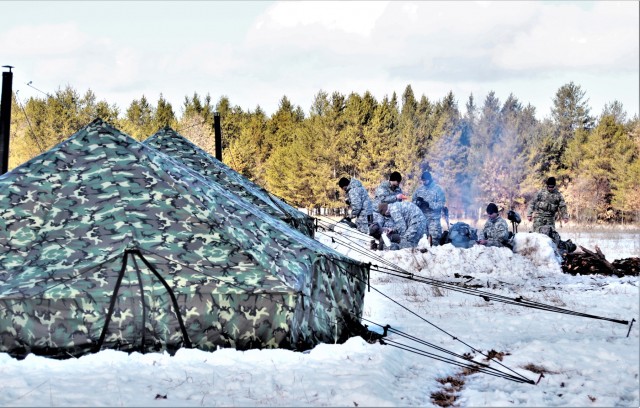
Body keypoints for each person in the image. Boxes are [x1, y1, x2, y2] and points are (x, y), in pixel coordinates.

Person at [412, 171, 446, 244]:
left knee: (434, 241)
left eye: (425, 180)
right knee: (421, 242)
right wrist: (418, 203)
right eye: (422, 181)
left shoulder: (438, 189)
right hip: (422, 220)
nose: (424, 182)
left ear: (429, 179)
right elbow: (413, 202)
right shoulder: (419, 190)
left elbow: (441, 204)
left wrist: (429, 204)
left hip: (433, 220)